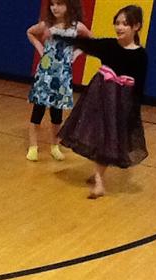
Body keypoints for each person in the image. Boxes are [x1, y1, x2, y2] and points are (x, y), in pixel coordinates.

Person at [56, 5, 148, 199]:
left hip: (120, 103)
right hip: (99, 98)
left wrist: (133, 111)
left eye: (125, 24)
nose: (119, 27)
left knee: (109, 137)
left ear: (136, 26)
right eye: (117, 23)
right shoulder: (109, 46)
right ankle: (99, 179)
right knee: (101, 135)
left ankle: (99, 178)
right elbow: (86, 44)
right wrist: (59, 37)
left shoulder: (140, 55)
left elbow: (139, 86)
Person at [26, 0, 92, 162]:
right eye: (52, 4)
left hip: (62, 77)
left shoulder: (77, 27)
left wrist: (76, 54)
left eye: (59, 4)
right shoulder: (46, 25)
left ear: (70, 5)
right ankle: (33, 146)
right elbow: (30, 32)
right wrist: (40, 48)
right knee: (37, 111)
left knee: (57, 114)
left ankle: (54, 145)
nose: (55, 8)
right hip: (45, 75)